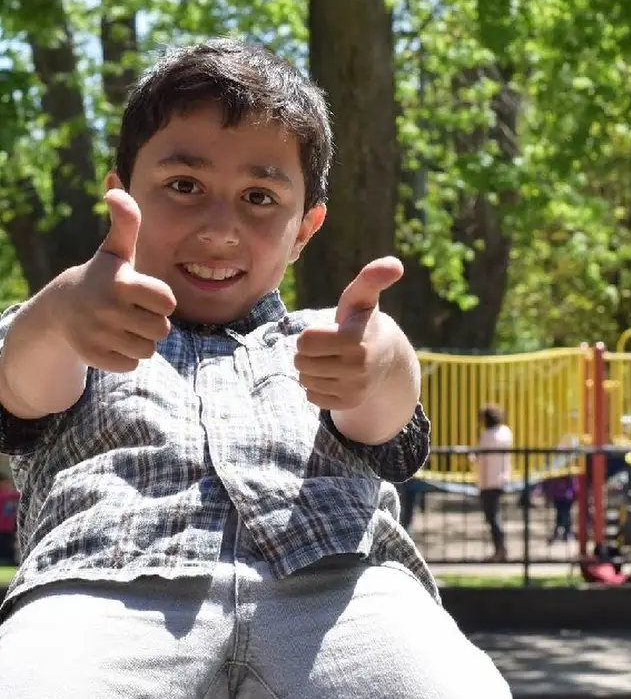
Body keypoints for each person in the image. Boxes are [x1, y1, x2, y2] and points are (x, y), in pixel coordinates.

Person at [0, 40, 510, 698]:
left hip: (343, 586)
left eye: (260, 197)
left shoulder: (325, 340)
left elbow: (385, 420)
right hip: (102, 582)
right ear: (120, 194)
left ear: (304, 230)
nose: (220, 228)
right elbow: (20, 384)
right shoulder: (78, 325)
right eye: (184, 186)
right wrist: (62, 314)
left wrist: (382, 360)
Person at [475, 405, 513, 562]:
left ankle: (500, 549)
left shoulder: (487, 436)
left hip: (488, 481)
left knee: (493, 517)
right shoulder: (506, 432)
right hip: (502, 478)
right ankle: (500, 549)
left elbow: (481, 459)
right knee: (495, 516)